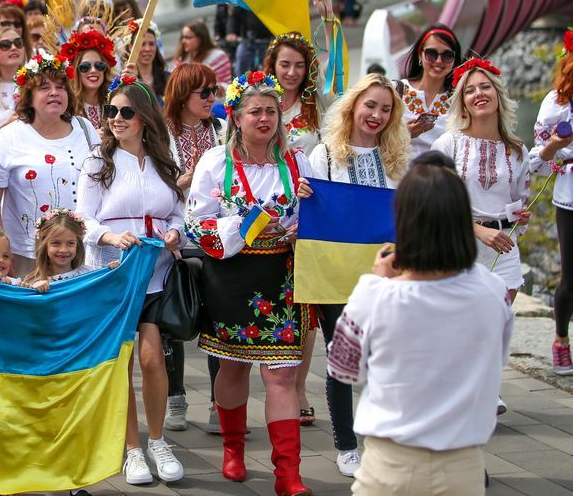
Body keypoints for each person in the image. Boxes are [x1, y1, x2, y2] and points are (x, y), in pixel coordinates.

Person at [327, 152, 513, 496]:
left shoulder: (377, 294)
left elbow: (342, 368)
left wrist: (377, 281)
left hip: (390, 464)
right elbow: (493, 360)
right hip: (464, 464)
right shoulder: (495, 292)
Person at [186, 71, 312, 496]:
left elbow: (316, 215)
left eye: (271, 111)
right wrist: (241, 226)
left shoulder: (297, 162)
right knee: (234, 365)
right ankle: (233, 448)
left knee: (282, 374)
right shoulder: (214, 163)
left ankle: (287, 473)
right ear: (236, 118)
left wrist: (303, 228)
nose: (264, 118)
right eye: (255, 111)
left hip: (281, 275)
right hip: (232, 274)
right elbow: (194, 223)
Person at [298, 73, 409, 477]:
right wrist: (306, 197)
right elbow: (315, 215)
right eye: (370, 105)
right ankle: (346, 445)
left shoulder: (397, 161)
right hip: (337, 275)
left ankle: (386, 439)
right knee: (340, 357)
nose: (376, 114)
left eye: (385, 109)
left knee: (387, 360)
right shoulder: (324, 155)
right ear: (353, 107)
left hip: (387, 275)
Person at [77, 76, 186, 486]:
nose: (117, 119)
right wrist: (108, 236)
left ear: (144, 118)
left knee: (153, 359)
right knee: (121, 362)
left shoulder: (162, 159)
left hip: (155, 270)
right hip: (113, 272)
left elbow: (177, 212)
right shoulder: (98, 161)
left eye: (126, 112)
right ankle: (132, 448)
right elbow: (83, 218)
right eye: (111, 111)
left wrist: (175, 233)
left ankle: (158, 440)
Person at [0, 54, 99, 276]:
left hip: (80, 251)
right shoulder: (9, 136)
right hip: (27, 256)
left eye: (60, 87)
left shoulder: (85, 128)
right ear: (28, 97)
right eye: (44, 88)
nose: (54, 93)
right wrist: (3, 249)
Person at [433, 59, 529, 300]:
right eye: (470, 90)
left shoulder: (518, 151)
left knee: (497, 330)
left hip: (504, 250)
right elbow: (434, 205)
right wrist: (478, 231)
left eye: (485, 86)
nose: (479, 93)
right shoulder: (448, 144)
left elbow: (520, 201)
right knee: (459, 329)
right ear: (463, 104)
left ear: (498, 94)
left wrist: (522, 215)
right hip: (459, 246)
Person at [161, 63, 222, 431]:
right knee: (174, 316)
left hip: (215, 236)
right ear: (183, 95)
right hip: (177, 233)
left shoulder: (221, 129)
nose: (212, 99)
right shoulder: (162, 133)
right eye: (205, 93)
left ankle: (219, 403)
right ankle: (175, 398)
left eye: (214, 91)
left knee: (217, 319)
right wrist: (178, 184)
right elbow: (152, 182)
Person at [531, 29, 573, 375]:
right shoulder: (557, 103)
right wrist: (558, 148)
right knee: (569, 275)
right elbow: (540, 158)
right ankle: (561, 340)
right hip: (570, 193)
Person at [398, 23, 461, 157]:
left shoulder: (460, 100)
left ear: (454, 60)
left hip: (442, 176)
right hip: (398, 176)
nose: (439, 61)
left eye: (447, 55)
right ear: (420, 55)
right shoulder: (394, 91)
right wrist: (403, 134)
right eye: (431, 54)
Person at [263, 32, 325, 157]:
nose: (291, 73)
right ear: (273, 65)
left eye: (299, 65)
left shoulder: (317, 99)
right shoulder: (259, 100)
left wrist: (328, 20)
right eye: (285, 65)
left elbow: (335, 62)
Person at [56, 31, 117, 131]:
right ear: (76, 71)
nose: (93, 70)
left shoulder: (114, 100)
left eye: (99, 66)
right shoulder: (66, 105)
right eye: (85, 67)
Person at [175, 19, 232, 89]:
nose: (183, 41)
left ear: (200, 38)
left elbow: (226, 86)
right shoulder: (182, 58)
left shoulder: (218, 56)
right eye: (182, 37)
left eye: (188, 37)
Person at [126, 20, 169, 102]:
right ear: (130, 47)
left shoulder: (168, 79)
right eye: (142, 44)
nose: (147, 49)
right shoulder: (125, 82)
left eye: (151, 44)